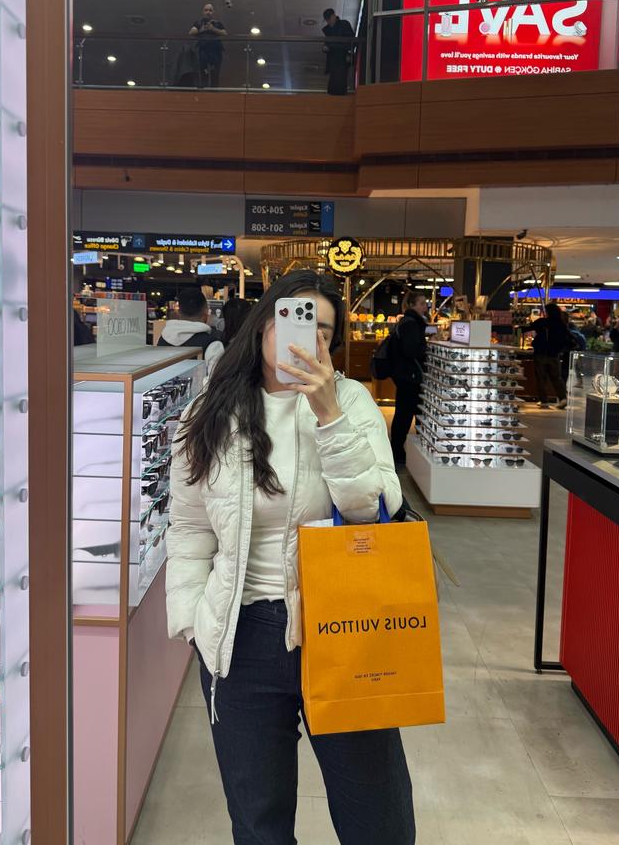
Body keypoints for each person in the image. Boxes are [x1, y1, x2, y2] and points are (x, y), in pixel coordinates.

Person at [166, 270, 413, 845]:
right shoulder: (209, 412)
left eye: (324, 330)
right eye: (296, 319)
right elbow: (190, 528)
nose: (309, 338)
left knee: (379, 819)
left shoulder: (351, 401)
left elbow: (372, 509)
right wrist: (193, 621)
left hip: (341, 628)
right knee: (259, 823)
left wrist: (328, 414)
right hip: (240, 636)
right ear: (264, 325)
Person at [390, 293, 428, 466]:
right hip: (410, 376)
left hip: (404, 375)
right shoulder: (412, 323)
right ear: (412, 305)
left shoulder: (407, 322)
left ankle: (398, 450)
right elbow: (411, 350)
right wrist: (425, 348)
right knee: (405, 415)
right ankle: (398, 451)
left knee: (404, 414)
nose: (425, 307)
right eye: (422, 303)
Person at [520, 302, 574, 408]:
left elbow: (526, 328)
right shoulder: (561, 324)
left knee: (541, 378)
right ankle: (563, 398)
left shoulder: (543, 322)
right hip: (554, 355)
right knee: (556, 378)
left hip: (540, 354)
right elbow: (569, 339)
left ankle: (544, 401)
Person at [157, 286, 224, 368]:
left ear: (178, 312)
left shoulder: (163, 339)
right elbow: (216, 375)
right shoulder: (213, 345)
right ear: (206, 310)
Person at [189, 3, 227, 88]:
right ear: (203, 12)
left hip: (215, 50)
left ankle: (214, 90)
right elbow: (191, 32)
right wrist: (201, 30)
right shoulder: (199, 23)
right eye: (206, 10)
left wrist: (213, 29)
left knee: (215, 72)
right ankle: (203, 89)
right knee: (203, 71)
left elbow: (224, 33)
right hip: (203, 49)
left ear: (213, 12)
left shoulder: (217, 23)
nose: (208, 12)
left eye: (210, 10)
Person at [322, 8, 355, 96]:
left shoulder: (344, 24)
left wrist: (349, 53)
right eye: (327, 20)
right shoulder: (329, 29)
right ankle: (336, 96)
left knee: (340, 79)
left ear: (333, 16)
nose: (328, 22)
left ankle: (339, 96)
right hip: (334, 58)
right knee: (335, 80)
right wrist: (325, 47)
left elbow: (351, 41)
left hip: (342, 56)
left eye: (329, 19)